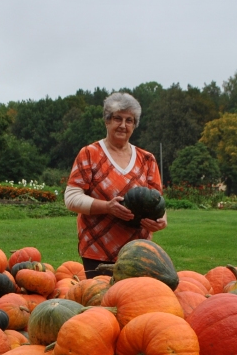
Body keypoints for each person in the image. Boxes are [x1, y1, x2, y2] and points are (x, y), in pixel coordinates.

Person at [64, 92, 167, 277]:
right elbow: (71, 198)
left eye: (129, 120)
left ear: (134, 125)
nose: (123, 125)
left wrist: (161, 220)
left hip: (138, 253)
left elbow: (157, 201)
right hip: (97, 249)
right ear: (107, 121)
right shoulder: (89, 154)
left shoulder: (147, 159)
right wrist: (107, 207)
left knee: (134, 302)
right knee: (100, 301)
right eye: (117, 118)